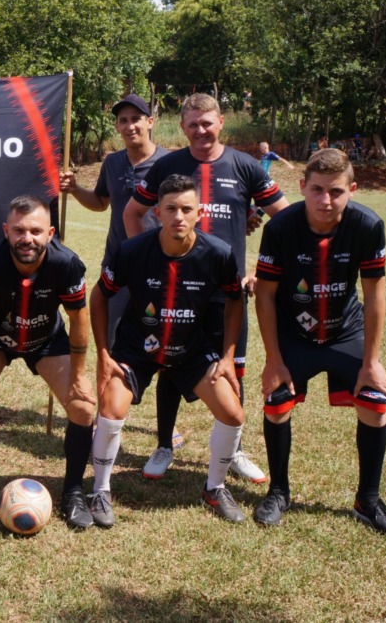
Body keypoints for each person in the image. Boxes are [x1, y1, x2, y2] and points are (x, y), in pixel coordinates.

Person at [124, 93, 289, 483]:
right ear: (183, 127)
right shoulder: (168, 166)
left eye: (207, 123)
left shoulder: (245, 166)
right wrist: (143, 263)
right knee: (169, 364)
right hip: (175, 289)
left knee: (234, 369)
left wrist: (263, 271)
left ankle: (233, 451)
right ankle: (164, 446)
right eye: (193, 124)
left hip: (227, 291)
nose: (201, 131)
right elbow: (134, 212)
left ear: (221, 123)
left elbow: (284, 218)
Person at [253, 148, 386, 536]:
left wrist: (371, 362)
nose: (325, 200)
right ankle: (278, 492)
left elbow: (374, 295)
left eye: (336, 191)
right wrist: (273, 360)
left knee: (374, 400)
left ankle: (367, 500)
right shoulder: (281, 228)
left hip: (345, 331)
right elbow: (265, 295)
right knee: (277, 401)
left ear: (351, 190)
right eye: (317, 189)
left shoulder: (367, 225)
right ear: (302, 186)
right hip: (294, 333)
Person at [90, 175, 248, 525]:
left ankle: (215, 488)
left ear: (199, 213)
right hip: (137, 348)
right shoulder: (132, 251)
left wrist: (227, 356)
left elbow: (236, 300)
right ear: (157, 212)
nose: (179, 216)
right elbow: (99, 296)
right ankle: (100, 491)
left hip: (192, 349)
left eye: (186, 209)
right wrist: (103, 354)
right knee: (112, 408)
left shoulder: (218, 253)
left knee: (232, 414)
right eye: (171, 208)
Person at [0, 195, 96, 530]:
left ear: (50, 233)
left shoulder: (67, 263)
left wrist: (79, 376)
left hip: (46, 339)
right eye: (19, 231)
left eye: (36, 231)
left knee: (83, 408)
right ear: (6, 231)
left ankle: (73, 492)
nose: (27, 239)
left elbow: (79, 318)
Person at [60, 93, 171, 355]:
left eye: (136, 119)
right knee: (113, 336)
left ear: (150, 122)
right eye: (123, 120)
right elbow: (100, 202)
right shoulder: (112, 162)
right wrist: (75, 189)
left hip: (160, 264)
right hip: (118, 263)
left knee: (163, 338)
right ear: (117, 126)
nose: (130, 126)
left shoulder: (169, 163)